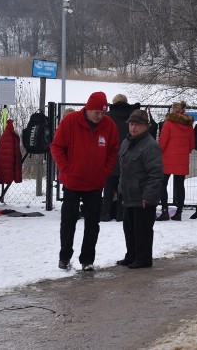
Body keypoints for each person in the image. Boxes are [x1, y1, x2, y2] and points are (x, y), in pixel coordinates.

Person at [50, 91, 119, 271]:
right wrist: (66, 169)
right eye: (97, 112)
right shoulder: (70, 121)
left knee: (92, 224)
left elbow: (113, 151)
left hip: (95, 183)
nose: (100, 116)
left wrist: (104, 172)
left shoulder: (109, 126)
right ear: (88, 109)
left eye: (103, 113)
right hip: (72, 182)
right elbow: (56, 147)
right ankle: (64, 257)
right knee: (68, 221)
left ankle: (87, 260)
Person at [116, 109, 163, 269]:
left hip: (143, 197)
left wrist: (148, 196)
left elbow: (155, 174)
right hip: (129, 195)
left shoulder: (151, 146)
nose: (133, 127)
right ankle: (131, 256)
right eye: (131, 124)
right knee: (129, 229)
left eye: (137, 125)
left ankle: (143, 259)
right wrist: (120, 189)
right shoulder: (127, 142)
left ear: (146, 126)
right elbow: (123, 170)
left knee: (142, 230)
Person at [101, 94, 139, 222]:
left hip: (110, 155)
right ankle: (120, 214)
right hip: (128, 155)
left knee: (108, 186)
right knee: (123, 187)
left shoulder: (107, 117)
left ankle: (105, 213)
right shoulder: (132, 116)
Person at [157, 101, 194, 221]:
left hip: (167, 158)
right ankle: (179, 212)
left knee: (163, 184)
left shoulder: (168, 124)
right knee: (180, 185)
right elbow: (191, 145)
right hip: (182, 159)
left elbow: (162, 143)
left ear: (173, 110)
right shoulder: (189, 125)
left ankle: (164, 211)